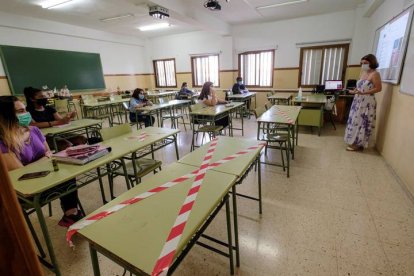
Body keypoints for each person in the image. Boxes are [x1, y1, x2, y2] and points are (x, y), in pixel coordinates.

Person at [0, 96, 83, 227]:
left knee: (68, 175)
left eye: (25, 110)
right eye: (20, 111)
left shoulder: (34, 130)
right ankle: (71, 214)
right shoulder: (3, 142)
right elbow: (21, 173)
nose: (26, 114)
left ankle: (71, 214)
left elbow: (49, 155)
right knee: (65, 180)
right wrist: (45, 159)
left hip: (46, 175)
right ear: (7, 116)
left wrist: (45, 159)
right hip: (27, 189)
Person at [24, 86, 86, 151]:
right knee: (66, 144)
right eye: (41, 97)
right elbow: (34, 125)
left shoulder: (49, 108)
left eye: (45, 96)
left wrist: (68, 117)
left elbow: (61, 120)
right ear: (32, 99)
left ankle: (81, 155)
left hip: (57, 133)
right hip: (44, 137)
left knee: (81, 138)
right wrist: (56, 123)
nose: (45, 98)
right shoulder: (27, 112)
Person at [344, 54, 382, 151]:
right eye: (362, 63)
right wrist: (354, 91)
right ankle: (355, 141)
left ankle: (358, 144)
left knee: (362, 122)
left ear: (372, 63)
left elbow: (378, 88)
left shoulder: (375, 74)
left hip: (367, 102)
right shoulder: (363, 73)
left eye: (366, 63)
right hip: (358, 100)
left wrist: (363, 92)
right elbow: (360, 87)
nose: (363, 65)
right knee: (355, 121)